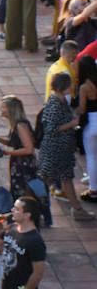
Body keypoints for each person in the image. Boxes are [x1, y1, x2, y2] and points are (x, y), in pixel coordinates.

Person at [38, 73, 93, 220]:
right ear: (63, 87)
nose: (72, 87)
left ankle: (77, 209)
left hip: (61, 148)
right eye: (69, 85)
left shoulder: (59, 100)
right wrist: (72, 124)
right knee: (56, 179)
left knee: (56, 178)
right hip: (57, 150)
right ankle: (77, 210)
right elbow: (51, 128)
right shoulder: (55, 104)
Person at [0, 196, 47, 289]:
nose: (12, 210)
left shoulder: (35, 241)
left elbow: (38, 272)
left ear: (27, 215)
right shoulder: (11, 229)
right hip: (6, 287)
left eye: (16, 209)